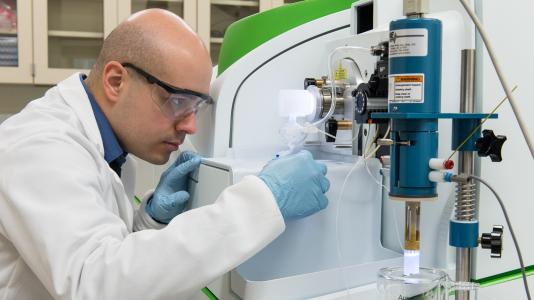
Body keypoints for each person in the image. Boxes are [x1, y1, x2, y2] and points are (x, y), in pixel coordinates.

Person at [0, 8, 330, 300]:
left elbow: (109, 253)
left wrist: (150, 220)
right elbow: (94, 283)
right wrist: (263, 200)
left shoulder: (108, 146)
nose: (190, 127)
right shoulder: (41, 146)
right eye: (178, 102)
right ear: (116, 81)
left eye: (197, 107)